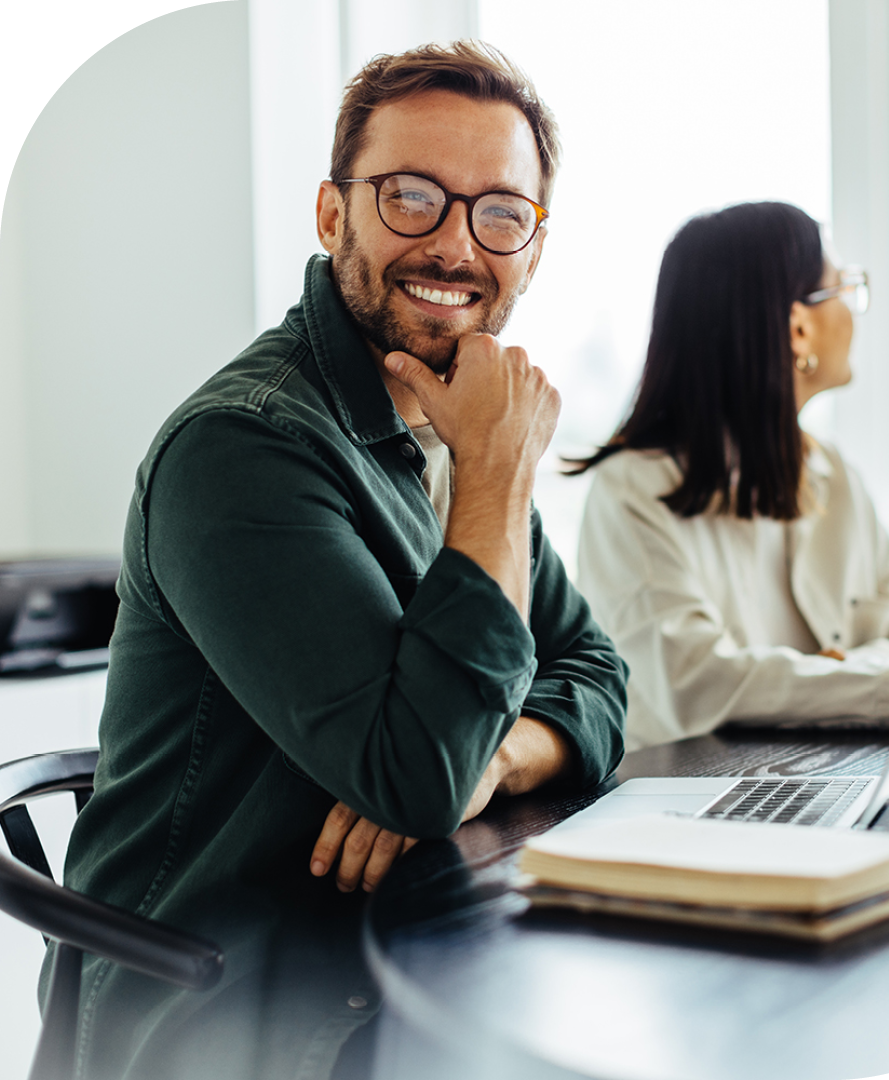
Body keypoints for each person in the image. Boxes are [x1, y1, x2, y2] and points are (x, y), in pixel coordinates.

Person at [58, 41, 626, 1080]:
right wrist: (499, 476)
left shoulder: (458, 427)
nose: (456, 246)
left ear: (532, 250)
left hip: (411, 949)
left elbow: (595, 677)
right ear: (334, 217)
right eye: (412, 197)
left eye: (500, 212)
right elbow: (417, 781)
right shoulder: (244, 448)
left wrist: (492, 761)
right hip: (235, 1011)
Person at [572, 201, 889, 752]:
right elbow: (701, 684)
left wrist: (848, 670)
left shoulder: (832, 473)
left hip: (822, 769)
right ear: (798, 328)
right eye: (843, 289)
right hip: (689, 791)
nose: (854, 312)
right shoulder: (632, 491)